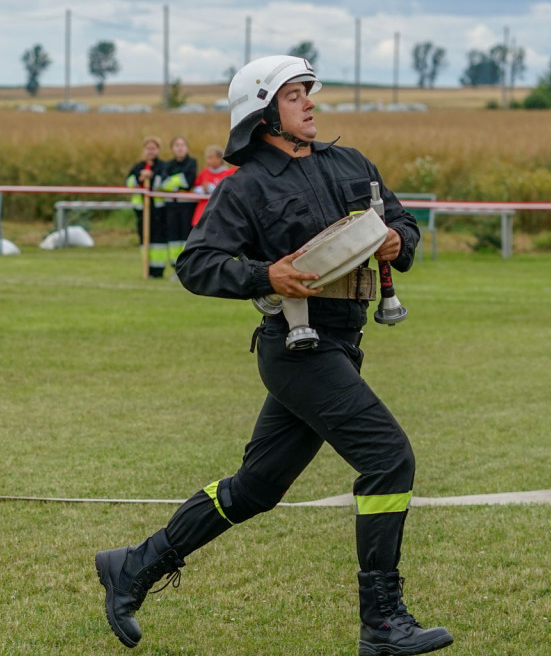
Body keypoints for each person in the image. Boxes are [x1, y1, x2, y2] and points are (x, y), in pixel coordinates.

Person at [95, 56, 453, 656]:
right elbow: (196, 264)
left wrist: (399, 239)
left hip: (342, 346)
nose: (310, 102)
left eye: (308, 92)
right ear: (263, 114)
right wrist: (266, 275)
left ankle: (133, 566)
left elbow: (401, 220)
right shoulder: (245, 187)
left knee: (256, 489)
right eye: (294, 95)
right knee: (388, 458)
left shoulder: (352, 163)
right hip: (295, 349)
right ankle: (382, 623)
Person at [126, 136, 168, 278]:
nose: (151, 151)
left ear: (158, 150)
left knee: (158, 241)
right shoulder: (138, 167)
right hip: (142, 210)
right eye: (148, 148)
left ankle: (158, 269)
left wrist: (152, 176)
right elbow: (129, 182)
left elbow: (164, 182)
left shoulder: (162, 166)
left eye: (154, 148)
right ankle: (146, 267)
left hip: (158, 211)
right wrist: (140, 178)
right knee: (144, 239)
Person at [159, 136, 197, 274]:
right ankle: (176, 267)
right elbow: (163, 183)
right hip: (171, 206)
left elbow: (188, 181)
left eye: (182, 145)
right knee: (173, 237)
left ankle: (187, 266)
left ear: (186, 148)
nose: (180, 148)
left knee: (186, 236)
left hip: (187, 206)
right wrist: (178, 180)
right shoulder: (167, 165)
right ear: (172, 149)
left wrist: (172, 181)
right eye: (176, 145)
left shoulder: (192, 163)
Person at [190, 144, 235, 226]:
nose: (208, 161)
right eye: (207, 158)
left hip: (219, 208)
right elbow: (195, 187)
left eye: (210, 158)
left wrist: (212, 188)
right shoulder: (204, 172)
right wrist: (202, 189)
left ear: (219, 158)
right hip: (203, 208)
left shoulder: (227, 173)